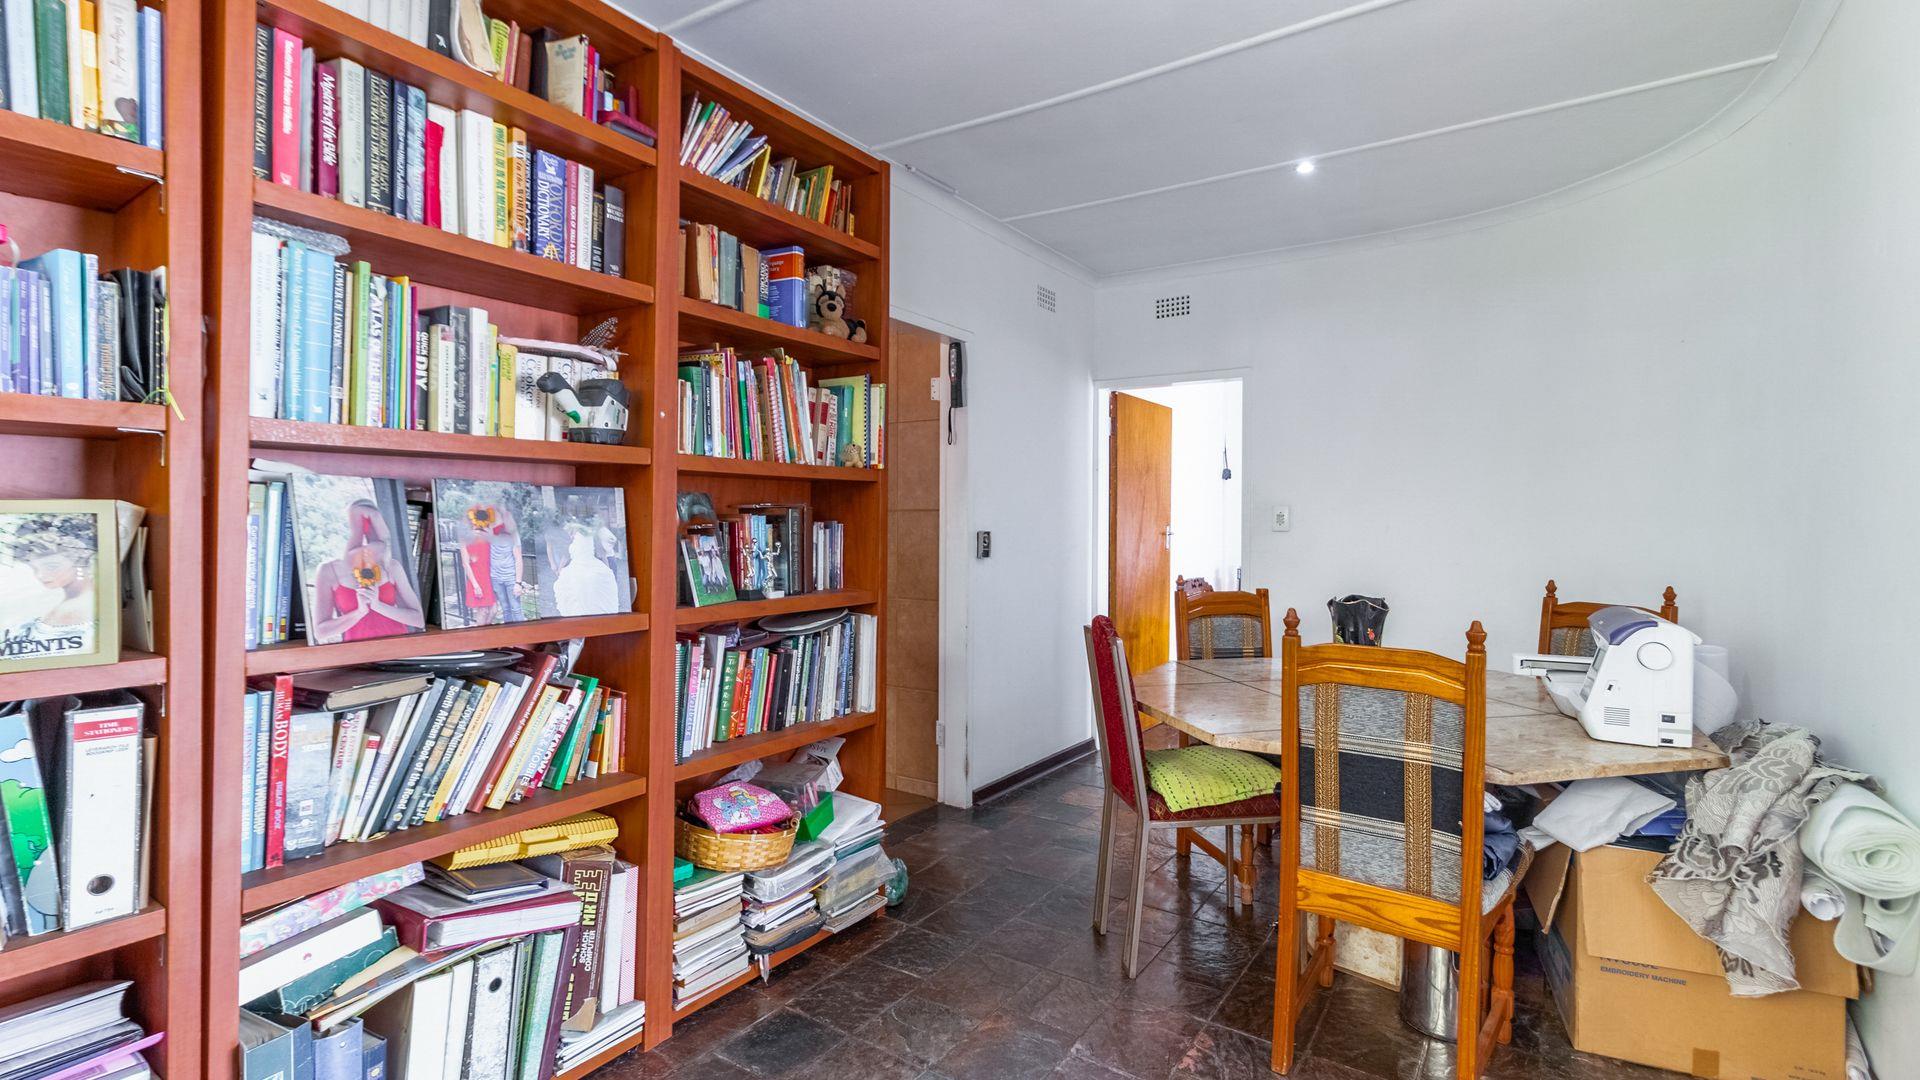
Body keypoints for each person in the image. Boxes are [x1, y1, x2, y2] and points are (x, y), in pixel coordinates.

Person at [311, 499, 425, 644]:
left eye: (370, 520)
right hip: (358, 652)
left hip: (398, 648)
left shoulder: (391, 567)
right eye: (357, 524)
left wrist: (378, 606)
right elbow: (320, 632)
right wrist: (359, 613)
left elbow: (418, 620)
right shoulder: (328, 571)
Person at [0, 514, 100, 660]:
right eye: (34, 568)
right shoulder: (75, 601)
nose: (41, 575)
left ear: (79, 559)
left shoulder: (74, 608)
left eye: (51, 566)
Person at [552, 529, 618, 616]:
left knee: (590, 588)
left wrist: (608, 568)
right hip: (576, 566)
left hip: (590, 564)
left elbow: (602, 553)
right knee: (575, 589)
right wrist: (560, 569)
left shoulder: (592, 535)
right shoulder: (570, 536)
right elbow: (566, 556)